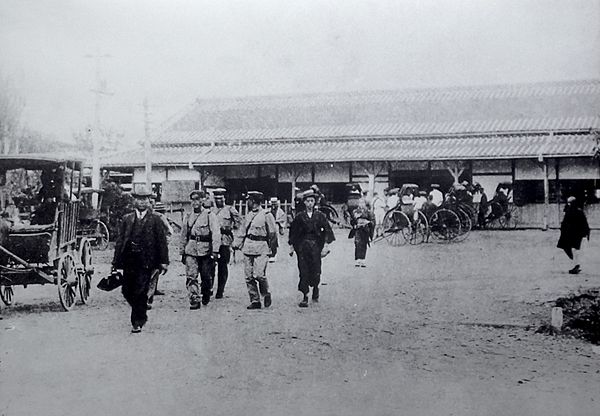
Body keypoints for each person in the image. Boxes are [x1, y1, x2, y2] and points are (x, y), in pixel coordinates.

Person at [112, 188, 169, 333]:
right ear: (134, 200)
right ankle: (141, 310)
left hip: (147, 260)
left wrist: (164, 261)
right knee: (126, 290)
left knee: (140, 290)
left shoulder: (156, 219)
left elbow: (161, 241)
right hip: (129, 260)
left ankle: (137, 321)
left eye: (145, 199)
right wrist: (116, 264)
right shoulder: (127, 219)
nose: (142, 202)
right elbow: (120, 242)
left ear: (149, 201)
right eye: (139, 199)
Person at [288, 190, 335, 307]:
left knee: (316, 270)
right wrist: (291, 246)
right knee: (303, 270)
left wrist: (326, 245)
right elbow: (293, 232)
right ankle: (304, 296)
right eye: (307, 201)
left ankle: (315, 288)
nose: (310, 203)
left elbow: (327, 230)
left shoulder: (320, 216)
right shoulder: (299, 217)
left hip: (315, 246)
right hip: (302, 247)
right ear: (304, 202)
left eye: (312, 201)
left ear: (315, 202)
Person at [180, 190, 221, 310]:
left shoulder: (209, 215)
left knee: (206, 276)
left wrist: (215, 251)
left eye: (197, 199)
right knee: (191, 276)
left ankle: (206, 292)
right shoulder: (188, 216)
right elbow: (183, 235)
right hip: (191, 250)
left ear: (203, 200)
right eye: (192, 200)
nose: (195, 202)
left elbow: (216, 234)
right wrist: (182, 251)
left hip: (205, 250)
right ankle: (194, 299)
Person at [239, 191, 276, 310]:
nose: (247, 202)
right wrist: (236, 244)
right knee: (248, 276)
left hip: (262, 247)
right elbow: (242, 232)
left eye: (248, 200)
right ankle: (255, 300)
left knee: (260, 275)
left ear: (253, 201)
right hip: (248, 246)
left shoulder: (267, 215)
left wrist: (273, 249)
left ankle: (265, 293)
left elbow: (272, 233)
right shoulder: (248, 215)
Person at [212, 188, 241, 299]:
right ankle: (209, 287)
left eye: (220, 198)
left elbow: (239, 223)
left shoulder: (230, 210)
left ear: (224, 198)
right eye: (216, 199)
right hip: (213, 242)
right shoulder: (211, 211)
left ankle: (220, 290)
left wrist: (231, 230)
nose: (218, 201)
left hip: (225, 241)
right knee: (209, 266)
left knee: (222, 267)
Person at [146, 197, 174, 301]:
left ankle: (150, 293)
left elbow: (169, 231)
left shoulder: (159, 217)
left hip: (156, 246)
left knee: (154, 270)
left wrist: (164, 242)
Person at [557, 196, 590, 274]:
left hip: (571, 234)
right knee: (574, 249)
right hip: (577, 234)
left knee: (570, 248)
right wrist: (586, 233)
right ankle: (576, 263)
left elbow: (565, 223)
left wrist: (563, 231)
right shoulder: (579, 211)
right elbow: (585, 223)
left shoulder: (569, 211)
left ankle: (576, 264)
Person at [350, 198, 374, 267]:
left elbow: (372, 221)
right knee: (357, 243)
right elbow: (352, 220)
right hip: (358, 229)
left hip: (365, 230)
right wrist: (354, 225)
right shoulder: (355, 211)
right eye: (360, 203)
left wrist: (368, 222)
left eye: (362, 203)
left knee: (364, 244)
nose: (361, 204)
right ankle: (357, 260)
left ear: (365, 204)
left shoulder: (369, 212)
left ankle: (362, 260)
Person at [268, 197, 286, 263]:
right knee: (269, 240)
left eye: (275, 204)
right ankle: (270, 254)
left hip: (276, 226)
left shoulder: (280, 211)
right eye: (272, 204)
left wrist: (277, 221)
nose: (273, 205)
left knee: (274, 240)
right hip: (269, 226)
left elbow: (283, 219)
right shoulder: (269, 210)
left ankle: (274, 255)